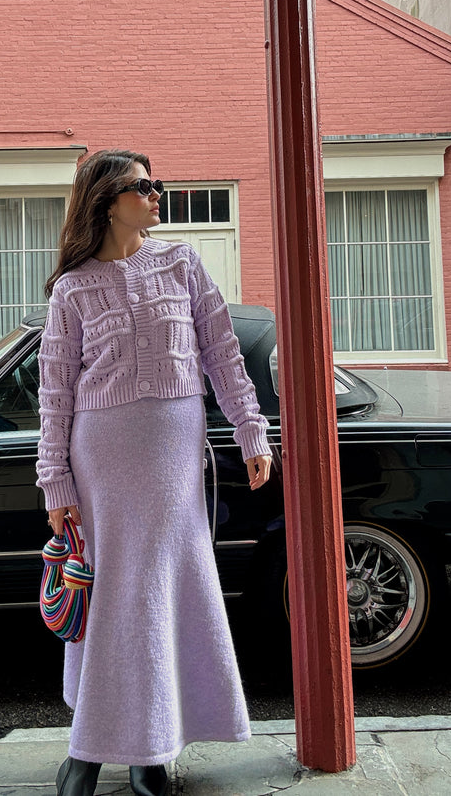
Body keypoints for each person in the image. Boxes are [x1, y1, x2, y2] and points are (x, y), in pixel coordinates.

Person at [36, 148, 273, 796]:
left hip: (174, 457)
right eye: (144, 186)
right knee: (115, 599)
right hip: (103, 460)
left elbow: (223, 351)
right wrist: (56, 483)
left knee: (165, 592)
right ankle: (88, 753)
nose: (157, 193)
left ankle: (152, 748)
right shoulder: (73, 287)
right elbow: (54, 392)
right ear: (107, 201)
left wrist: (251, 428)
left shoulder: (181, 261)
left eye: (156, 182)